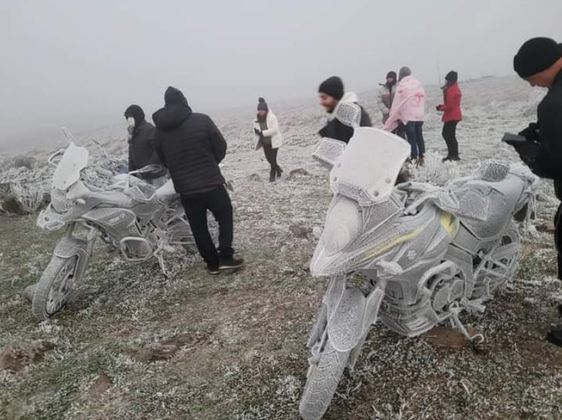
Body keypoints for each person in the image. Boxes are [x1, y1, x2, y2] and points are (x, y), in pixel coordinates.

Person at [152, 86, 244, 275]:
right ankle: (226, 257)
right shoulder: (202, 120)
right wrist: (211, 163)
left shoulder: (159, 133)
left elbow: (163, 160)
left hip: (186, 189)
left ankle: (212, 264)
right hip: (211, 183)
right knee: (225, 215)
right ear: (184, 102)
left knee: (198, 226)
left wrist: (179, 171)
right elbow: (221, 146)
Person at [513, 37, 562, 346]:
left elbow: (553, 164)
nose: (533, 86)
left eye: (530, 79)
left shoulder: (554, 103)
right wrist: (543, 132)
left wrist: (529, 150)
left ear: (539, 68)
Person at [384, 67, 426, 165]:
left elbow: (397, 103)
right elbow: (423, 98)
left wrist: (392, 117)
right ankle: (422, 157)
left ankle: (414, 159)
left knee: (411, 137)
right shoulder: (417, 83)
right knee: (419, 135)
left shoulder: (402, 85)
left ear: (401, 75)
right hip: (419, 116)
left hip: (409, 117)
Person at [318, 76, 372, 144]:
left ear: (336, 96)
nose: (321, 102)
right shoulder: (336, 116)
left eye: (324, 98)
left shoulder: (351, 114)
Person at [124, 104, 166, 184]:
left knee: (160, 196)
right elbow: (131, 155)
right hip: (142, 177)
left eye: (130, 117)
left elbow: (158, 150)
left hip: (156, 176)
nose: (129, 120)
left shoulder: (150, 130)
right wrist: (132, 174)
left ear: (137, 116)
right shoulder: (132, 133)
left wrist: (148, 167)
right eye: (127, 118)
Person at [253, 97, 284, 182]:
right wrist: (256, 132)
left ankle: (272, 176)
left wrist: (262, 133)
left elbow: (275, 130)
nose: (261, 112)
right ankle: (278, 169)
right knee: (269, 159)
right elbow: (256, 128)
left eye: (262, 110)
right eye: (259, 110)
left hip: (274, 142)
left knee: (273, 159)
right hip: (265, 143)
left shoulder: (272, 117)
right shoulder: (256, 119)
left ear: (266, 110)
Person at [437, 71, 463, 161]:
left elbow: (450, 106)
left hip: (452, 116)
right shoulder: (453, 88)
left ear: (450, 80)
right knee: (449, 135)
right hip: (454, 115)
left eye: (446, 80)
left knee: (448, 134)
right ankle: (452, 154)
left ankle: (453, 155)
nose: (445, 82)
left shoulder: (452, 90)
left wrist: (440, 108)